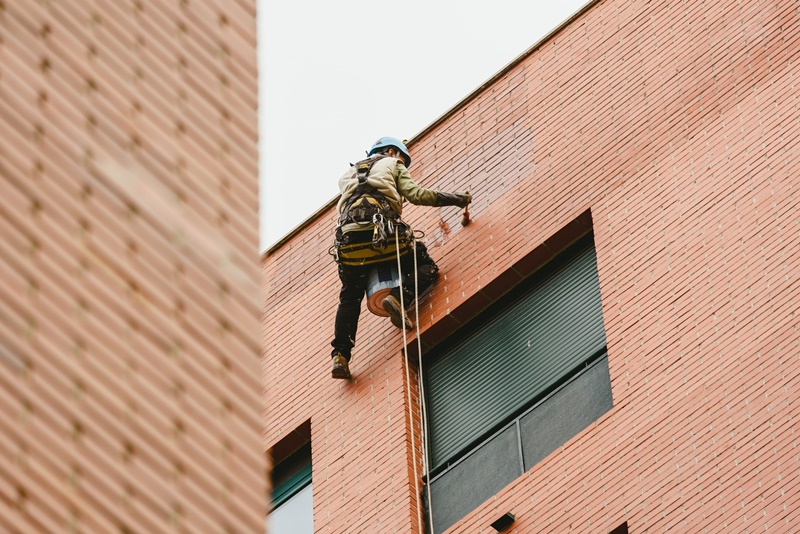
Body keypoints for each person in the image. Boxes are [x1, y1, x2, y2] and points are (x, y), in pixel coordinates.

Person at [330, 137, 471, 379]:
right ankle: (398, 298)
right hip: (386, 235)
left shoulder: (347, 174)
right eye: (403, 161)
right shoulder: (392, 164)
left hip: (350, 244)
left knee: (350, 297)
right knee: (426, 266)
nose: (402, 165)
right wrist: (455, 199)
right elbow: (416, 194)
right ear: (393, 152)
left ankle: (340, 357)